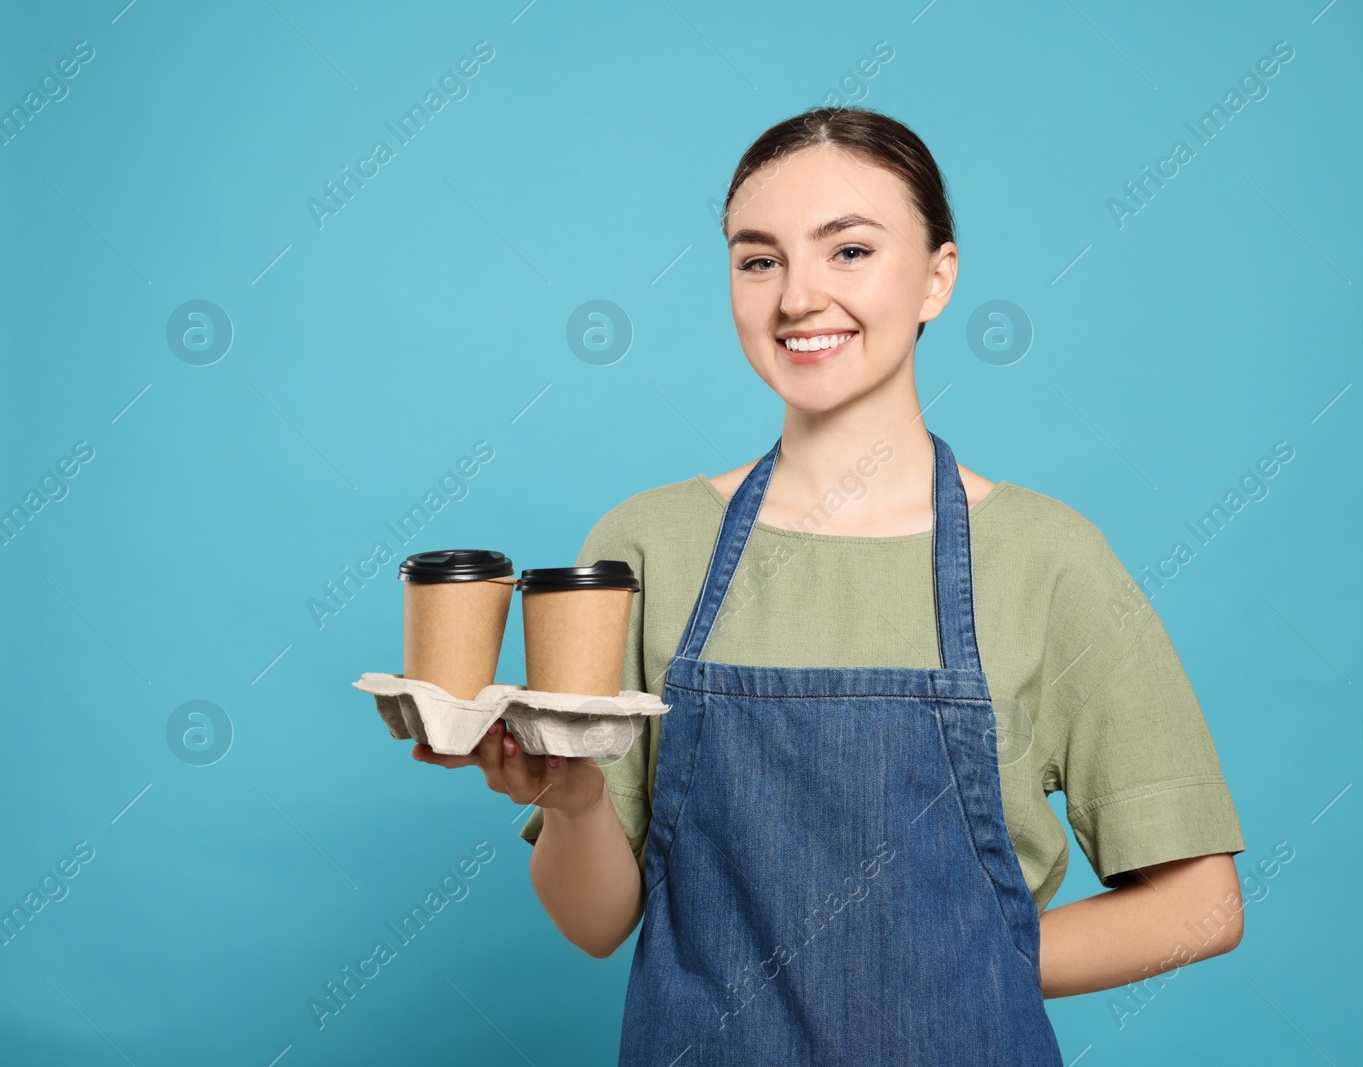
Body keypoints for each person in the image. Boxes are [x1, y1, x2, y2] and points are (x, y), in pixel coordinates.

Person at [414, 106, 1248, 1064]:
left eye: (848, 251)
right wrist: (571, 801)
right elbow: (598, 922)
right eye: (757, 259)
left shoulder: (1046, 558)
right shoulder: (646, 547)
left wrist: (961, 955)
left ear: (939, 276)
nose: (798, 298)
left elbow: (1203, 904)